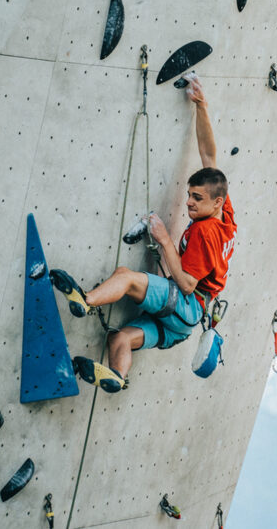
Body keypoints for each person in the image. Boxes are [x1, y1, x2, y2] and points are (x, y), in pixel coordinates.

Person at [49, 74, 237, 392]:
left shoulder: (206, 232)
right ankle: (117, 376)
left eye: (196, 198)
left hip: (187, 304)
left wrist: (164, 240)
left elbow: (187, 283)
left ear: (215, 201)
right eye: (190, 195)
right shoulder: (223, 213)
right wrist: (201, 105)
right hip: (181, 326)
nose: (189, 203)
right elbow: (209, 156)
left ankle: (86, 300)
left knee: (126, 277)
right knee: (121, 337)